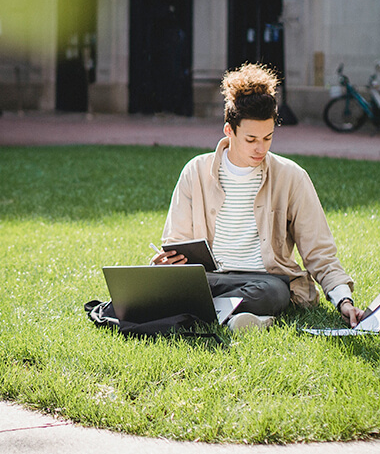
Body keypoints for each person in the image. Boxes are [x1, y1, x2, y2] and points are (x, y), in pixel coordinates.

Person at [151, 63, 364, 331]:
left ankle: (196, 312)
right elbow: (176, 242)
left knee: (275, 293)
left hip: (264, 281)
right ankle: (234, 317)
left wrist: (343, 299)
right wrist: (164, 263)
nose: (260, 148)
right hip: (210, 279)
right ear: (230, 131)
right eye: (251, 139)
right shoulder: (196, 171)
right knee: (171, 285)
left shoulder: (291, 176)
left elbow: (319, 251)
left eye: (268, 137)